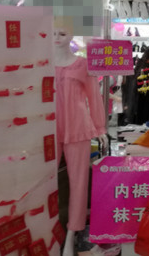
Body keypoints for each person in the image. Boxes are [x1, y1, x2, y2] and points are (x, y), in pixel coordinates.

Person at [53, 26, 108, 256]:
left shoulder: (83, 65)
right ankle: (47, 229)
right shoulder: (41, 64)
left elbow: (94, 97)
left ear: (72, 35)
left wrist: (100, 127)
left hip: (77, 127)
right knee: (46, 181)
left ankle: (71, 234)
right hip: (48, 129)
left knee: (78, 183)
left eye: (62, 33)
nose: (57, 38)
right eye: (52, 33)